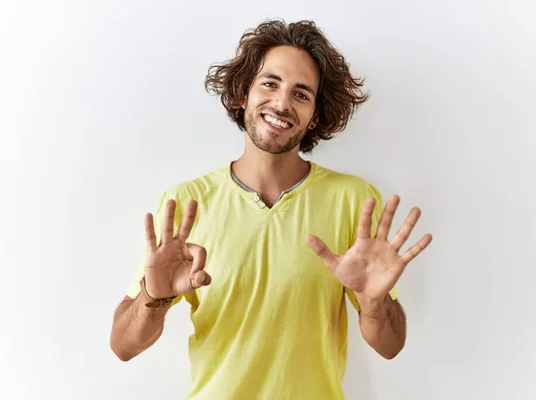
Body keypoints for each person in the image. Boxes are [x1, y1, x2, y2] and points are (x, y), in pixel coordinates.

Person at [110, 19, 433, 400]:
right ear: (243, 93)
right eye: (270, 83)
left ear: (314, 115)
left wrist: (375, 303)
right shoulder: (186, 204)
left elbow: (390, 346)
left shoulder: (355, 201)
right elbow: (123, 346)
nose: (281, 103)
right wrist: (155, 297)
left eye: (301, 94)